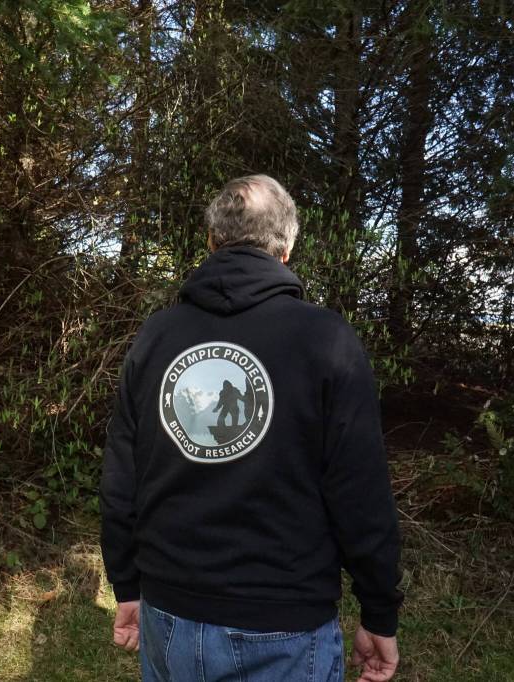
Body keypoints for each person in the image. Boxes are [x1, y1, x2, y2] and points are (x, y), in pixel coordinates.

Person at [99, 174, 403, 682]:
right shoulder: (324, 339)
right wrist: (378, 612)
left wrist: (126, 584)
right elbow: (361, 493)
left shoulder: (157, 335)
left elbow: (119, 480)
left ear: (213, 243)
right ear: (286, 248)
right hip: (283, 626)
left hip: (168, 616)